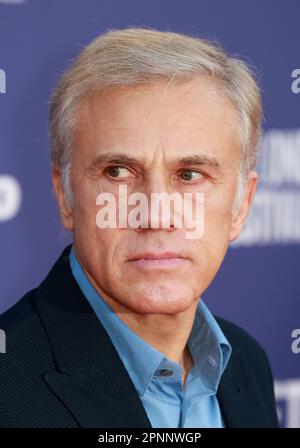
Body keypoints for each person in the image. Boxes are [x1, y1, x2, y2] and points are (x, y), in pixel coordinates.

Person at [0, 28, 279, 428]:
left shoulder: (248, 362)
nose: (155, 215)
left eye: (190, 174)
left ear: (241, 204)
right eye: (118, 172)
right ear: (65, 196)